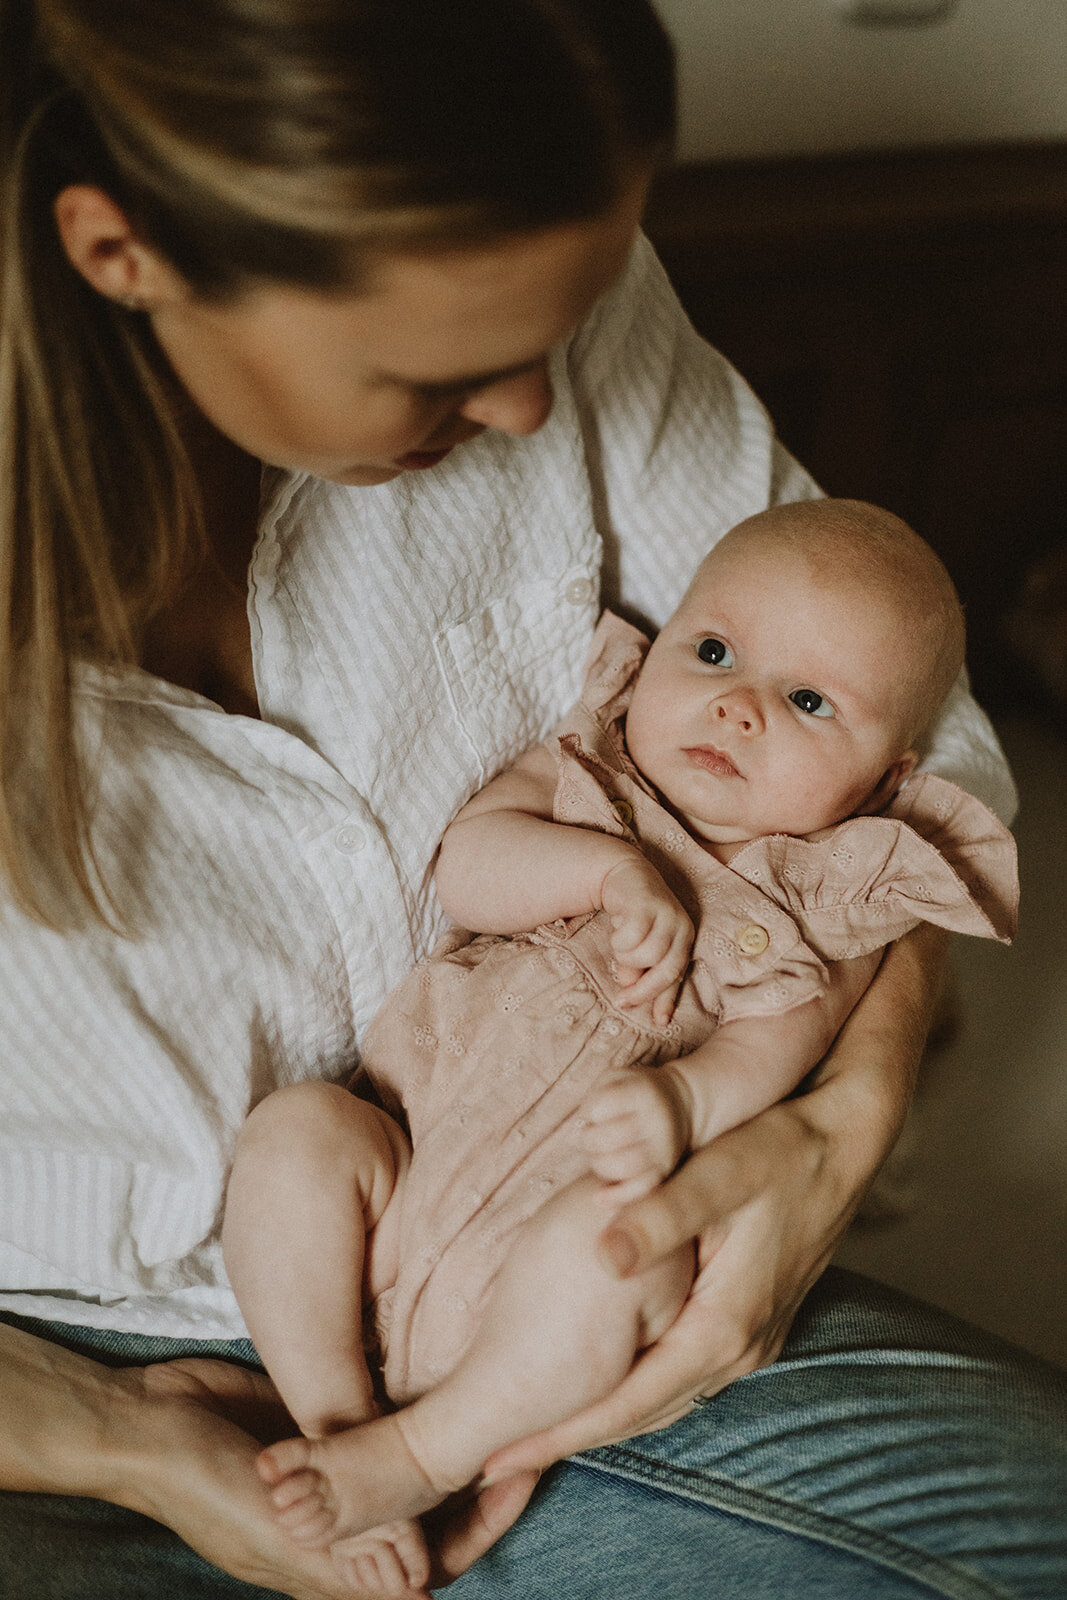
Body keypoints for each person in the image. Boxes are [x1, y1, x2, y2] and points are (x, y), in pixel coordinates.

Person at [0, 2, 1063, 1598]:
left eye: (546, 341)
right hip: (72, 1364)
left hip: (541, 1272)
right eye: (436, 370)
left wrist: (844, 1114)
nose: (522, 416)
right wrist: (114, 1438)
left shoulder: (534, 267)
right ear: (118, 250)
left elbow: (895, 723)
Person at [222, 499, 1019, 1598]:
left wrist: (685, 1105)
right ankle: (334, 1416)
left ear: (885, 781)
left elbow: (777, 1046)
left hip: (545, 1275)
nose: (735, 707)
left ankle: (428, 1452)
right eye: (710, 652)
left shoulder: (816, 905)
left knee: (617, 1244)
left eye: (804, 700)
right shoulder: (584, 779)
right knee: (296, 1133)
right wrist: (597, 872)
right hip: (393, 1187)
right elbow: (466, 865)